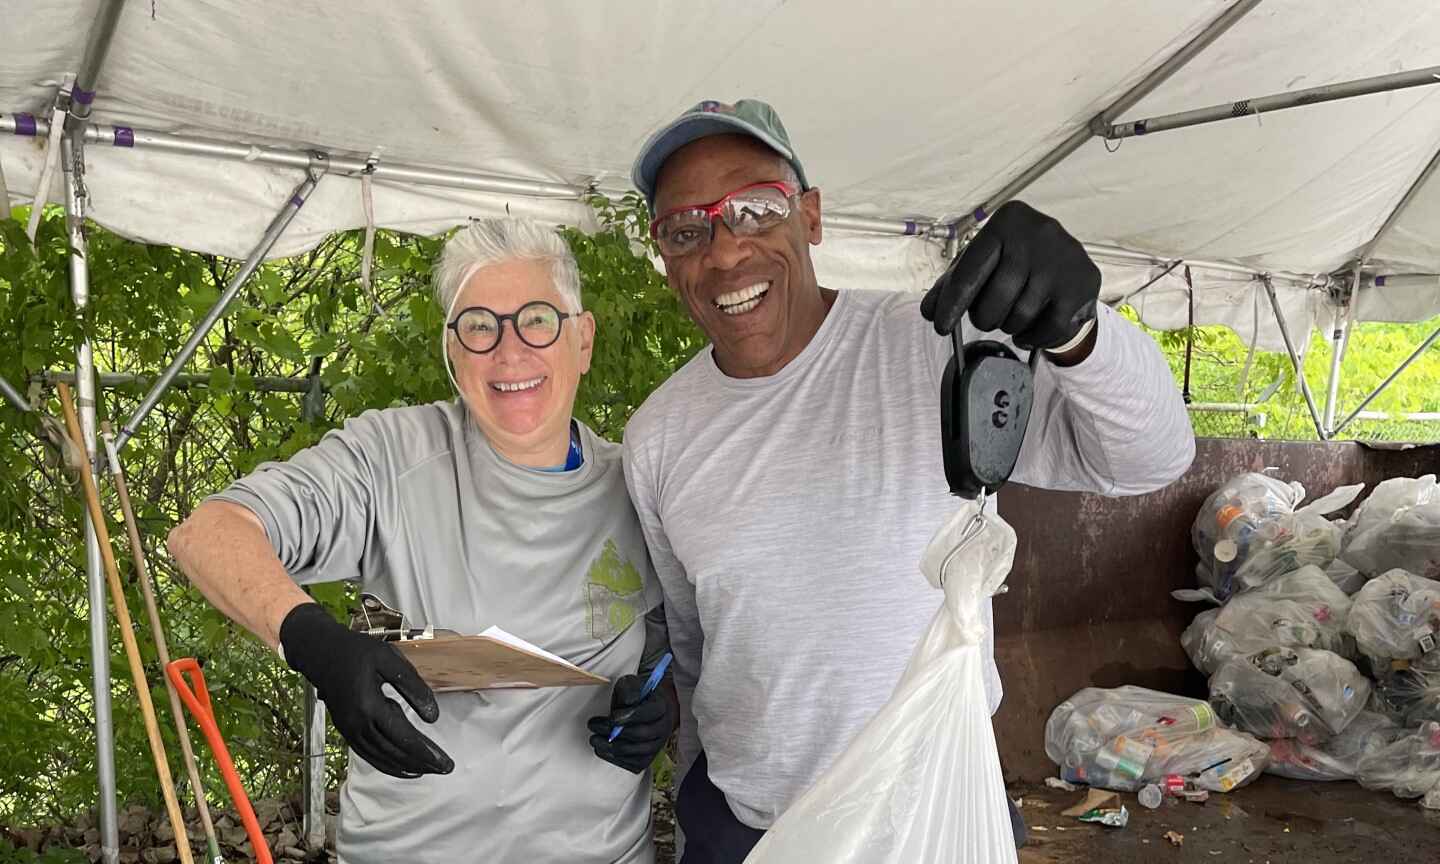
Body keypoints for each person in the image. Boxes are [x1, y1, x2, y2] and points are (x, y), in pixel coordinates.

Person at [621, 99, 1196, 862]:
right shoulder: (658, 435)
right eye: (687, 229)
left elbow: (1149, 459)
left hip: (930, 819)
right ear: (665, 256)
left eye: (756, 210)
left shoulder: (934, 349)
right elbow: (695, 646)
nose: (725, 253)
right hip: (748, 827)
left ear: (812, 217)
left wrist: (1081, 330)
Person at [168, 218, 677, 864]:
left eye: (538, 321)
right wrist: (316, 643)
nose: (509, 352)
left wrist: (665, 708)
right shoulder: (392, 458)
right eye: (479, 327)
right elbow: (207, 533)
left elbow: (690, 643)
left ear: (582, 340)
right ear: (451, 352)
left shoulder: (641, 484)